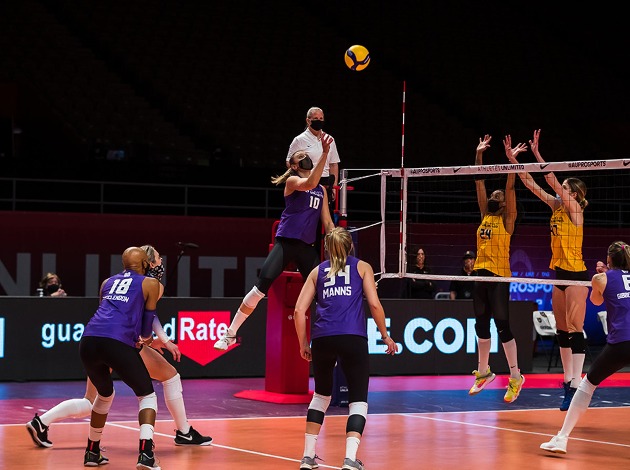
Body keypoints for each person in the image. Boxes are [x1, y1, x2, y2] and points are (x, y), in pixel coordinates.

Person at [26, 245, 212, 451]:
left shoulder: (111, 281)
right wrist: (162, 340)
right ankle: (183, 432)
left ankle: (42, 421)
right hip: (121, 341)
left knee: (91, 401)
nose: (162, 262)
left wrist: (156, 340)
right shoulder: (151, 283)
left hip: (95, 338)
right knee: (170, 377)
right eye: (159, 258)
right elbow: (148, 318)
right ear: (149, 263)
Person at [214, 134, 336, 350]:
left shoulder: (322, 191)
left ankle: (332, 342)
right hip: (286, 243)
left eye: (306, 154)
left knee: (324, 294)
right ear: (294, 165)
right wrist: (325, 153)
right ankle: (230, 333)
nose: (305, 156)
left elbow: (327, 221)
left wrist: (336, 244)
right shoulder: (292, 181)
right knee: (261, 287)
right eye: (301, 156)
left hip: (307, 248)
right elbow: (310, 182)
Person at [293, 227, 398, 470]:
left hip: (322, 339)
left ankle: (308, 456)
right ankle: (350, 459)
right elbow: (374, 304)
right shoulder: (362, 267)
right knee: (358, 399)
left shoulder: (316, 271)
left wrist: (303, 343)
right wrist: (385, 336)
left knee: (321, 396)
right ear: (351, 246)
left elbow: (299, 310)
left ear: (327, 249)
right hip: (353, 337)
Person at [505, 129, 589, 411]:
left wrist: (539, 155)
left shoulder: (575, 210)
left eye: (564, 188)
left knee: (575, 329)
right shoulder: (556, 207)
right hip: (559, 275)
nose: (559, 191)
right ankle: (567, 383)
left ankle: (577, 383)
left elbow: (550, 180)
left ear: (573, 194)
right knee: (561, 331)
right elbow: (531, 184)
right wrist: (514, 162)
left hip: (576, 276)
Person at [540, 241, 630, 454]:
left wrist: (602, 275)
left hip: (621, 342)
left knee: (587, 385)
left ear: (609, 259)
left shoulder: (601, 278)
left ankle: (562, 438)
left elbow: (596, 301)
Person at [468, 134, 524, 403]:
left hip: (499, 276)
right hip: (480, 273)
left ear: (504, 204)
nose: (494, 196)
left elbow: (510, 188)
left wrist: (511, 162)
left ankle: (516, 376)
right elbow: (479, 180)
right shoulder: (485, 214)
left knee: (502, 325)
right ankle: (483, 372)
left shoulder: (508, 219)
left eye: (497, 196)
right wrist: (479, 154)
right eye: (493, 194)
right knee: (481, 324)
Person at [286, 106, 341, 220]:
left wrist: (334, 187)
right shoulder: (299, 140)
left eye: (321, 118)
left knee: (327, 218)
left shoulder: (329, 139)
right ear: (308, 120)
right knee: (308, 217)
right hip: (308, 181)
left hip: (326, 183)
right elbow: (289, 162)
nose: (319, 121)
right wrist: (302, 180)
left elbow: (333, 164)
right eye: (316, 118)